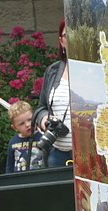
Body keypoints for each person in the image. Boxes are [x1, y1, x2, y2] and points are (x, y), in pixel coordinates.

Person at [32, 19, 73, 168]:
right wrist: (45, 120)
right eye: (67, 35)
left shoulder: (95, 71)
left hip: (89, 155)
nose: (72, 38)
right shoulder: (53, 71)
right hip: (58, 155)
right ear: (61, 41)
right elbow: (41, 108)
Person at [5, 100, 43, 173]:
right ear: (15, 128)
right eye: (21, 123)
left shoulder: (42, 137)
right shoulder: (13, 143)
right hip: (20, 181)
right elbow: (9, 166)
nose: (27, 125)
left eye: (29, 120)